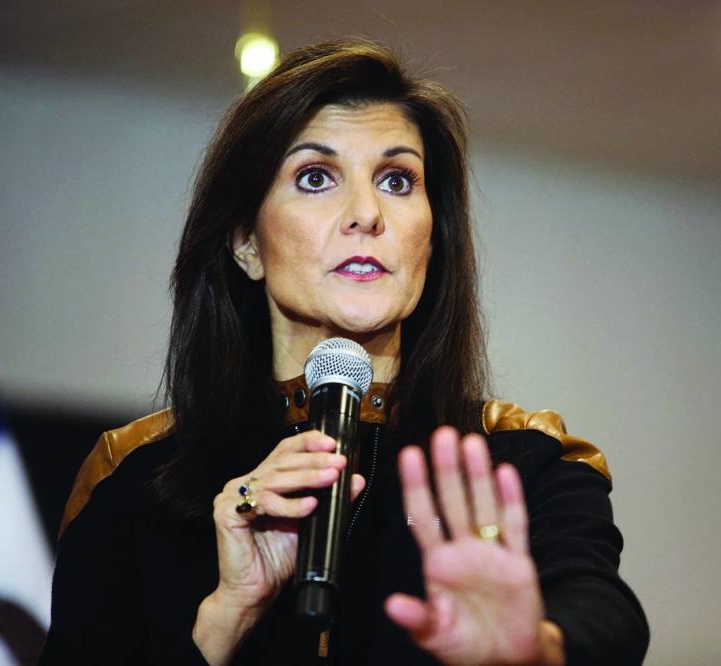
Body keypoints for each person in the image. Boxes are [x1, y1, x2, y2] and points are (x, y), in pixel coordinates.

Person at [39, 39, 649, 665]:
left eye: (396, 180)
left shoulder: (526, 459)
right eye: (315, 177)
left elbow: (606, 620)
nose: (366, 213)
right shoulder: (132, 477)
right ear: (246, 242)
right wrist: (227, 614)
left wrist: (535, 650)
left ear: (432, 239)